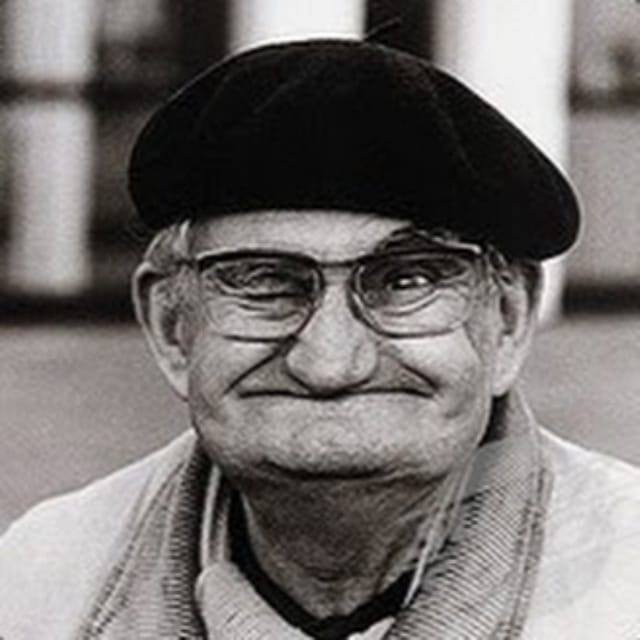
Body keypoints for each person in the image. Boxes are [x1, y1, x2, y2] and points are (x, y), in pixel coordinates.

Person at [1, 39, 639, 640]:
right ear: (172, 327)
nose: (330, 363)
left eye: (406, 280)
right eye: (264, 281)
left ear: (507, 319)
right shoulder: (38, 583)